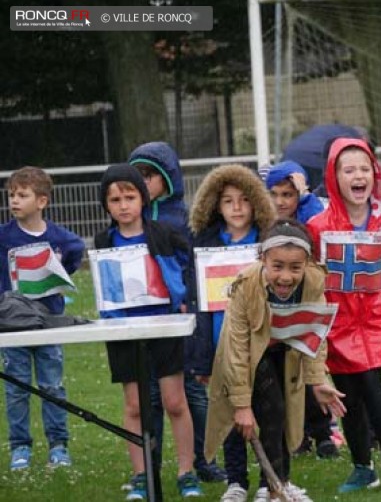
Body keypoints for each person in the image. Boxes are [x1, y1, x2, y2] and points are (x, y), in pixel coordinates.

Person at [203, 219, 346, 502]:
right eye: (277, 266)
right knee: (237, 418)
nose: (285, 276)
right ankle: (236, 483)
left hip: (282, 353)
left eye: (295, 267)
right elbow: (237, 350)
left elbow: (314, 336)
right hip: (240, 356)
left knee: (279, 414)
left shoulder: (314, 282)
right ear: (262, 260)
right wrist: (242, 404)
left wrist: (317, 380)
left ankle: (274, 485)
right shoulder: (246, 285)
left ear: (307, 263)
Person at [306, 137, 381, 495]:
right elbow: (313, 275)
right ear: (334, 176)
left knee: (374, 386)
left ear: (375, 174)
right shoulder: (319, 225)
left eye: (364, 168)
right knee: (347, 395)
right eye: (348, 169)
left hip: (375, 316)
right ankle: (362, 467)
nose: (357, 176)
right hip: (337, 321)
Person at [94, 164, 202, 499]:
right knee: (134, 406)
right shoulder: (103, 241)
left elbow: (188, 269)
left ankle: (187, 471)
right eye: (115, 199)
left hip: (165, 327)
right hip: (124, 330)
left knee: (174, 401)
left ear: (142, 198)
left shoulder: (164, 234)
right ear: (107, 205)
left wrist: (184, 301)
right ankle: (141, 476)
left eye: (129, 197)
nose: (123, 205)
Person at [129, 141, 227, 483]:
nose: (143, 184)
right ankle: (150, 467)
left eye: (150, 176)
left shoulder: (185, 219)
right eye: (137, 176)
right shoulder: (131, 220)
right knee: (150, 396)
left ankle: (204, 459)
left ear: (167, 178)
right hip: (146, 319)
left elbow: (196, 266)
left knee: (191, 392)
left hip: (182, 320)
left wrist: (190, 303)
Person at [187, 163, 277, 502]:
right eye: (227, 201)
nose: (236, 208)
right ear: (214, 204)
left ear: (256, 201)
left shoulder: (267, 242)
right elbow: (197, 303)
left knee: (267, 414)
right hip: (218, 343)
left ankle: (270, 481)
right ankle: (236, 481)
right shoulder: (203, 244)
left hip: (263, 344)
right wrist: (200, 360)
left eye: (243, 199)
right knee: (228, 416)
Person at [0, 166, 84, 471]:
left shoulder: (60, 239)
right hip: (11, 326)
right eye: (11, 195)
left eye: (22, 195)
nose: (14, 200)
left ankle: (58, 445)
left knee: (52, 385)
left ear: (42, 201)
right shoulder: (3, 237)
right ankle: (20, 447)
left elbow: (76, 252)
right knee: (15, 387)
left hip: (49, 322)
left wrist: (60, 272)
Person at [265, 160, 339, 460]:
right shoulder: (265, 221)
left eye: (288, 194)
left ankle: (323, 431)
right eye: (275, 194)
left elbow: (318, 222)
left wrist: (306, 196)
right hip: (275, 303)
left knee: (309, 363)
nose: (281, 201)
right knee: (280, 372)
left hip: (306, 299)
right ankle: (296, 435)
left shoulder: (309, 214)